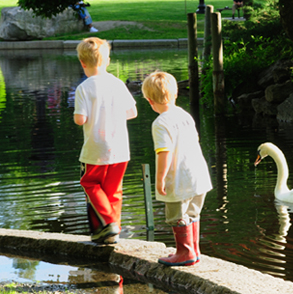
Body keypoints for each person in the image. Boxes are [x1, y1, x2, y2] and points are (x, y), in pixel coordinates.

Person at [141, 71, 212, 266]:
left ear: (149, 101)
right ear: (175, 94)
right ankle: (195, 251)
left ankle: (185, 252)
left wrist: (160, 179)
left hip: (179, 179)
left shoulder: (160, 123)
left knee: (176, 216)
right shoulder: (185, 115)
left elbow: (165, 153)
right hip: (199, 175)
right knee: (193, 213)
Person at [73, 37, 138, 245]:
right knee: (114, 190)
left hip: (95, 149)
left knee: (90, 183)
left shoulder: (84, 88)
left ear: (83, 63)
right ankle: (113, 232)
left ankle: (108, 222)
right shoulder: (117, 83)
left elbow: (80, 119)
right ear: (108, 61)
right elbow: (132, 112)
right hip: (120, 149)